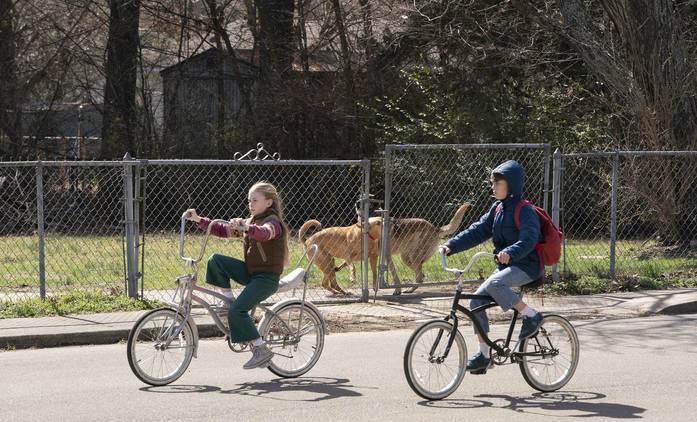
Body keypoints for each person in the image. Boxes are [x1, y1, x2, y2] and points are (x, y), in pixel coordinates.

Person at [440, 160, 544, 374]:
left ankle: (532, 315)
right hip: (507, 266)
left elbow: (530, 239)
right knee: (476, 300)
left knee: (495, 283)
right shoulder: (497, 209)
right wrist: (451, 245)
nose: (493, 186)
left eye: (498, 182)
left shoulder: (525, 210)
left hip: (527, 265)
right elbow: (477, 231)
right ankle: (485, 355)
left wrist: (510, 252)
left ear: (511, 185)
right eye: (492, 182)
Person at [185, 181, 289, 370]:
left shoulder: (273, 222)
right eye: (249, 200)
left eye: (255, 200)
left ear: (268, 202)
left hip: (266, 278)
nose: (250, 204)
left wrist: (246, 228)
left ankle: (261, 349)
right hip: (251, 273)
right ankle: (228, 301)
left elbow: (265, 234)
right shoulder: (251, 221)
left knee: (238, 312)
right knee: (215, 260)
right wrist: (198, 219)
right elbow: (221, 230)